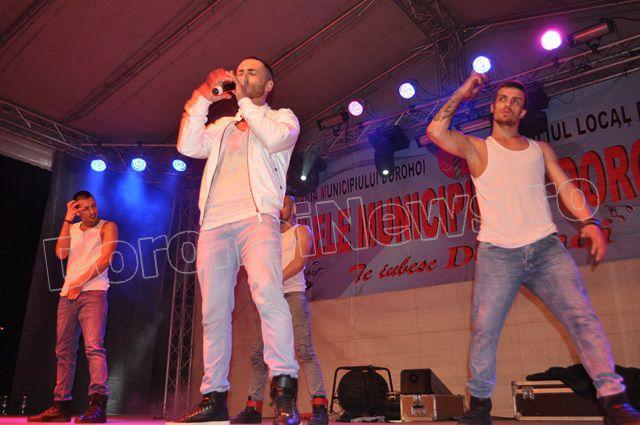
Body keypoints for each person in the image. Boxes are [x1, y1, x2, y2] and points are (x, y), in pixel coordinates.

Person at [426, 72, 640, 425]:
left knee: (582, 318)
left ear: (523, 112)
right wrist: (462, 92)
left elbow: (566, 186)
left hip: (545, 249)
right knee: (484, 329)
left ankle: (614, 401)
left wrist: (590, 222)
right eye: (502, 99)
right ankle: (479, 407)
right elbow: (435, 131)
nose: (508, 105)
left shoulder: (540, 150)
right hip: (497, 253)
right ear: (493, 107)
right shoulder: (478, 148)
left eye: (515, 102)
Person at [172, 57, 301, 425]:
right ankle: (214, 397)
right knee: (213, 311)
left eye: (252, 72)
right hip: (214, 223)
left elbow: (274, 140)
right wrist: (202, 96)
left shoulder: (282, 118)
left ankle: (284, 391)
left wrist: (244, 99)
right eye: (239, 72)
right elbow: (187, 145)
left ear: (269, 85)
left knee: (268, 296)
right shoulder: (224, 126)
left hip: (256, 218)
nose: (243, 76)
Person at [231, 195, 328, 425]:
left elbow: (299, 262)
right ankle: (253, 408)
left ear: (292, 208)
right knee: (258, 354)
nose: (279, 209)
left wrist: (273, 280)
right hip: (269, 299)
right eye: (276, 205)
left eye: (283, 205)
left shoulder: (301, 231)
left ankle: (319, 407)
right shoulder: (268, 238)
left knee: (304, 350)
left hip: (292, 295)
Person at [28, 191, 118, 424]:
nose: (92, 211)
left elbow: (106, 258)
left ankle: (98, 405)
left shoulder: (108, 226)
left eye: (93, 205)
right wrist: (67, 219)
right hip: (68, 295)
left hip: (94, 292)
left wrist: (81, 282)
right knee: (64, 350)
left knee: (94, 347)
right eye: (85, 208)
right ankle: (61, 406)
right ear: (78, 211)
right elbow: (60, 253)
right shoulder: (72, 227)